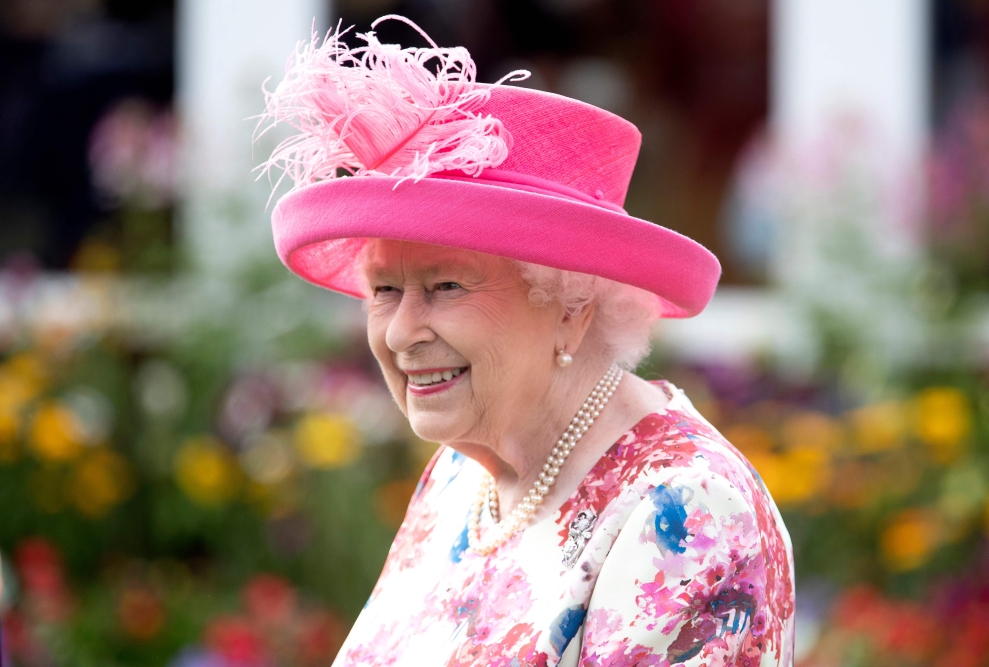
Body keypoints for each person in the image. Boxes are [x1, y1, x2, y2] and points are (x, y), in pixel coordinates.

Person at [258, 15, 794, 667]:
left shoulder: (684, 509)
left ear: (571, 306)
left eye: (446, 285)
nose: (401, 332)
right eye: (385, 290)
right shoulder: (461, 475)